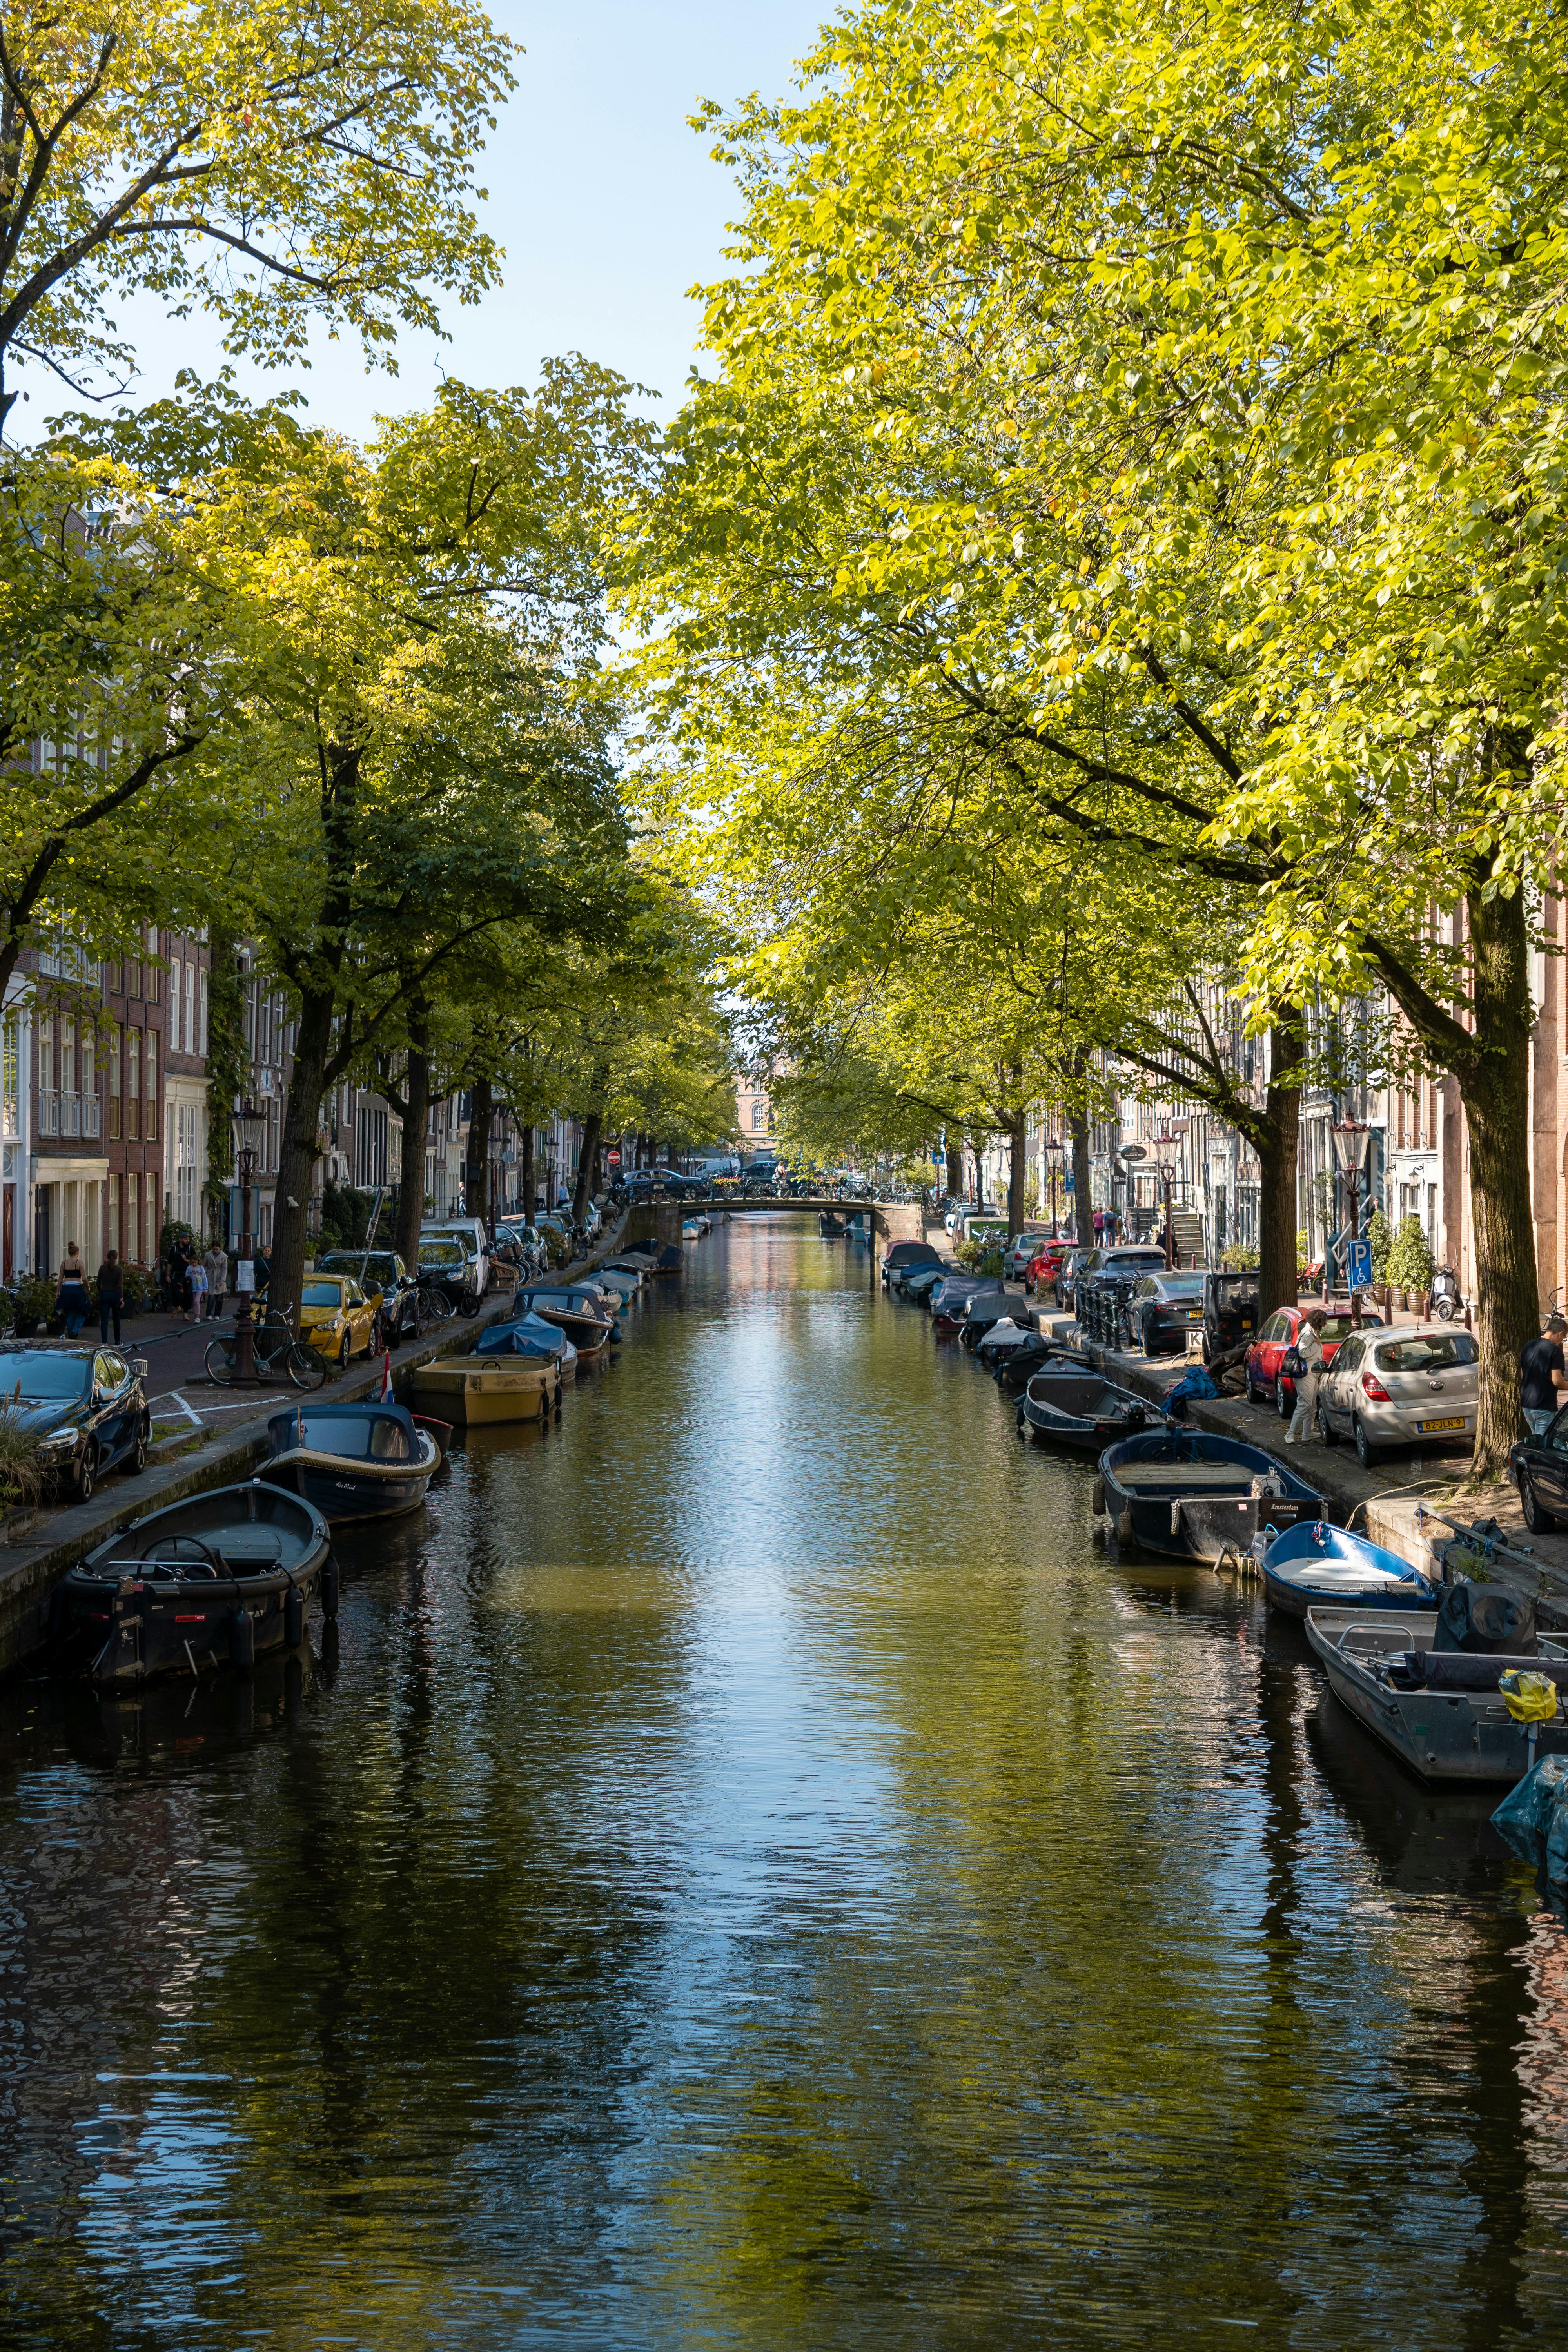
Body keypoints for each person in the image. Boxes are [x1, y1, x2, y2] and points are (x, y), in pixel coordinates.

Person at [1285, 1306, 1328, 1443]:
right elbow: (1303, 1353)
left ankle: (1307, 1433)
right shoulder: (1309, 1334)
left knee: (1312, 1406)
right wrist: (1316, 1345)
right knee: (1305, 1404)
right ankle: (1291, 1434)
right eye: (1323, 1323)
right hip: (1305, 1375)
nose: (1324, 1326)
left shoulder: (1311, 1332)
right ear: (1319, 1322)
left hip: (1312, 1374)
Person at [1520, 1314, 1568, 1436]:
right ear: (1561, 1334)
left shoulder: (1529, 1345)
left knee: (1536, 1439)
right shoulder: (1555, 1351)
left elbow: (1522, 1374)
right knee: (1543, 1443)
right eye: (1564, 1339)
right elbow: (1557, 1381)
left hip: (1527, 1403)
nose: (1562, 1342)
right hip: (1544, 1405)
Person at [56, 1241, 90, 1338]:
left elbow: (60, 1279)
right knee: (85, 1308)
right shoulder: (79, 1263)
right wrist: (88, 1287)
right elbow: (84, 1278)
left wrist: (58, 1292)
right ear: (77, 1253)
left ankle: (71, 1335)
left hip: (66, 1289)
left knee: (69, 1312)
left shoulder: (64, 1263)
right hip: (77, 1288)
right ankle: (76, 1329)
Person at [95, 1248, 124, 1344]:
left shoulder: (102, 1268)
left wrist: (101, 1292)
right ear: (116, 1258)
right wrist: (121, 1298)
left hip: (105, 1294)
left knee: (104, 1321)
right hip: (115, 1295)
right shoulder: (119, 1270)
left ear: (107, 1258)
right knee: (116, 1319)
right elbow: (120, 1285)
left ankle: (105, 1342)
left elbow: (98, 1283)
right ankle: (117, 1341)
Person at [204, 1241, 229, 1319]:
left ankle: (217, 1314)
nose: (215, 1251)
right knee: (211, 1296)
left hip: (219, 1276)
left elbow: (225, 1269)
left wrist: (223, 1280)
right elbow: (205, 1265)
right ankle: (209, 1314)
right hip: (211, 1276)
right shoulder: (208, 1255)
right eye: (214, 1249)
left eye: (217, 1249)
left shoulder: (223, 1257)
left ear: (219, 1248)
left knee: (219, 1298)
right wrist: (206, 1273)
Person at [188, 1252, 208, 1321]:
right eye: (193, 1263)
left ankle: (197, 1317)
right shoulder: (189, 1268)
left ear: (198, 1262)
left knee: (197, 1301)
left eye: (195, 1263)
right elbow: (187, 1277)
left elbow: (204, 1278)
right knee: (195, 1302)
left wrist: (205, 1288)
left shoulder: (201, 1268)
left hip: (200, 1288)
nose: (194, 1264)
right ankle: (196, 1315)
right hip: (193, 1288)